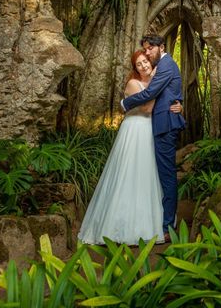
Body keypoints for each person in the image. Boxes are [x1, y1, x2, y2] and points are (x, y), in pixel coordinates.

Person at [78, 50, 181, 246]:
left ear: (151, 62)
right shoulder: (134, 84)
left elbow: (170, 100)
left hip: (150, 132)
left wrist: (178, 106)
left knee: (148, 176)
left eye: (145, 62)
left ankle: (152, 224)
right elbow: (147, 108)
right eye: (139, 64)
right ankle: (119, 227)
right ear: (135, 68)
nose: (143, 66)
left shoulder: (156, 83)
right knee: (129, 174)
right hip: (134, 130)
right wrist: (157, 86)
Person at [121, 34, 185, 242]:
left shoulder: (166, 65)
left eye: (150, 49)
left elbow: (151, 94)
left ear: (161, 47)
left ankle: (168, 227)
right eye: (145, 50)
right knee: (163, 176)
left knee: (167, 177)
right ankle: (164, 222)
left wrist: (126, 103)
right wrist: (178, 103)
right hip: (160, 124)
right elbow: (170, 94)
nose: (147, 53)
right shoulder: (163, 66)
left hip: (165, 126)